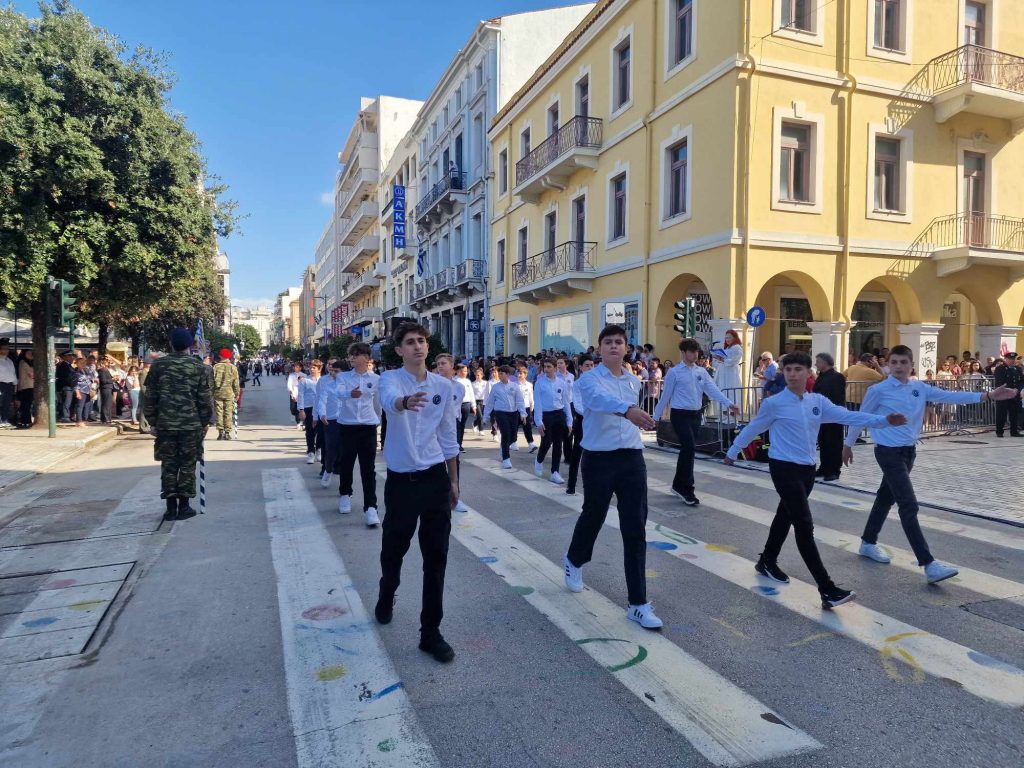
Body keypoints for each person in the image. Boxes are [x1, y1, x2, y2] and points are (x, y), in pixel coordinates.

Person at [725, 352, 908, 609]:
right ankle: (827, 588)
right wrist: (733, 451)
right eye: (788, 369)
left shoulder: (817, 402)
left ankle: (767, 560)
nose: (791, 374)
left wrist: (884, 421)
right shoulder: (774, 403)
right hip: (783, 468)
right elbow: (754, 427)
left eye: (797, 369)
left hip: (807, 470)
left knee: (784, 515)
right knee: (804, 525)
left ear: (808, 373)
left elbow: (848, 416)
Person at [845, 345, 1019, 583]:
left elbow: (950, 396)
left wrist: (987, 395)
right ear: (888, 364)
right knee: (909, 505)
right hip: (887, 452)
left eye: (903, 362)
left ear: (911, 364)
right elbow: (862, 417)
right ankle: (928, 563)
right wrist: (847, 445)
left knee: (886, 496)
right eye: (894, 362)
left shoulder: (919, 387)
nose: (898, 367)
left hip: (909, 452)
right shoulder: (879, 390)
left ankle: (867, 541)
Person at [563, 325, 663, 629]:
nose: (614, 347)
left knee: (635, 528)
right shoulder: (588, 380)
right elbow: (596, 402)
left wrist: (639, 418)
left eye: (619, 342)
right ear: (599, 348)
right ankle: (574, 560)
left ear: (627, 348)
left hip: (632, 458)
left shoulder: (634, 381)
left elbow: (629, 414)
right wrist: (628, 410)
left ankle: (638, 603)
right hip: (598, 458)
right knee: (593, 515)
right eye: (608, 342)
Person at [375, 323, 460, 664]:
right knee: (394, 549)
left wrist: (454, 481)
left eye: (421, 341)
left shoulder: (444, 386)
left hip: (435, 478)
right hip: (401, 481)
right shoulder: (390, 379)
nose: (417, 347)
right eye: (409, 342)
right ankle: (387, 589)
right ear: (399, 350)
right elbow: (389, 401)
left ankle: (430, 632)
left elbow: (448, 435)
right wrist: (405, 401)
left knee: (436, 557)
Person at [653, 338, 739, 505]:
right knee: (690, 447)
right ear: (683, 353)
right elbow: (666, 396)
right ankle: (688, 489)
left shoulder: (701, 372)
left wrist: (729, 404)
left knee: (688, 450)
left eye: (696, 351)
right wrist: (655, 417)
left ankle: (678, 485)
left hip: (695, 415)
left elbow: (713, 390)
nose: (695, 354)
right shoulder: (674, 372)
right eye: (691, 351)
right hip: (679, 415)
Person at [142, 328, 213, 521]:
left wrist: (153, 421)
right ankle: (184, 506)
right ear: (190, 346)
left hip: (166, 425)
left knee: (169, 465)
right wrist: (205, 422)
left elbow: (150, 397)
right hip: (191, 425)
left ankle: (170, 508)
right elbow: (204, 399)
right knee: (188, 465)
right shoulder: (198, 366)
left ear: (171, 344)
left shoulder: (158, 365)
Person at [335, 343, 382, 526]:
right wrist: (349, 393)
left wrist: (377, 422)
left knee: (368, 468)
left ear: (366, 358)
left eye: (356, 354)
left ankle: (371, 507)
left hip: (368, 427)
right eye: (351, 355)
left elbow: (378, 403)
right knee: (346, 464)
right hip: (347, 426)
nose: (352, 358)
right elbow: (339, 393)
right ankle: (345, 494)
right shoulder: (343, 377)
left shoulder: (376, 379)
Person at [533, 358, 573, 484]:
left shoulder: (562, 383)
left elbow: (566, 402)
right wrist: (538, 421)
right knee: (546, 441)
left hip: (559, 414)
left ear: (555, 368)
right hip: (546, 415)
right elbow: (538, 403)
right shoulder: (540, 383)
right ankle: (539, 460)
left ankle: (554, 472)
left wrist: (569, 421)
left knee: (558, 444)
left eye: (549, 366)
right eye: (545, 366)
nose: (546, 369)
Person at [483, 365, 526, 469]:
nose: (499, 375)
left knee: (513, 436)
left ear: (507, 375)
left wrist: (523, 414)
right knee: (505, 434)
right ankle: (506, 459)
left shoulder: (515, 386)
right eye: (499, 373)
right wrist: (485, 417)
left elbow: (520, 401)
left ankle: (504, 446)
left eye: (502, 373)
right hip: (501, 413)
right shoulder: (495, 387)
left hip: (514, 413)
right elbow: (490, 403)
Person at [813, 353, 846, 481]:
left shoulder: (837, 377)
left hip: (834, 416)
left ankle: (834, 470)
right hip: (821, 416)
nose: (816, 364)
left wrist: (835, 412)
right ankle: (824, 467)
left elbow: (838, 397)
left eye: (818, 361)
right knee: (823, 442)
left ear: (825, 362)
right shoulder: (821, 377)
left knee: (834, 443)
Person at [565, 356, 595, 495]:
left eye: (592, 365)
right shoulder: (577, 384)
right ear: (581, 367)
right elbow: (577, 405)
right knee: (577, 453)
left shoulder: (599, 382)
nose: (590, 368)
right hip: (583, 421)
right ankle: (571, 485)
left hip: (597, 422)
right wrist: (591, 412)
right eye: (587, 365)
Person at [711, 330, 744, 415]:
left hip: (731, 374)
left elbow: (734, 360)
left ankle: (733, 415)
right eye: (726, 338)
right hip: (724, 374)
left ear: (734, 338)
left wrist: (721, 359)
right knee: (724, 392)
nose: (727, 339)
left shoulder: (737, 347)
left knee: (731, 393)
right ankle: (725, 414)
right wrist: (717, 357)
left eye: (729, 337)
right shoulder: (727, 348)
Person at [212, 349, 240, 440]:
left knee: (219, 412)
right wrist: (237, 393)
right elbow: (236, 382)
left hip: (218, 393)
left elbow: (211, 382)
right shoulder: (233, 367)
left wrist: (212, 392)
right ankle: (227, 433)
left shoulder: (215, 367)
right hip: (229, 393)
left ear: (220, 356)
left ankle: (220, 433)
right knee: (228, 413)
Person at [993, 352, 1023, 437]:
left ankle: (1014, 431)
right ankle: (999, 431)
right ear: (1005, 359)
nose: (1012, 361)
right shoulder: (1000, 369)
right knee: (1001, 414)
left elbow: (1021, 381)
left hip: (1015, 395)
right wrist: (1010, 390)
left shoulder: (1018, 369)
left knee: (1014, 414)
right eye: (1010, 359)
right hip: (1003, 395)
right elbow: (1000, 382)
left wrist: (1018, 389)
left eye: (1013, 359)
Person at [296, 362, 321, 463]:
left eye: (314, 368)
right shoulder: (304, 380)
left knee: (320, 431)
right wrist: (301, 410)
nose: (311, 369)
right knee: (310, 431)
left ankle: (319, 449)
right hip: (308, 407)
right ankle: (311, 452)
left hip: (321, 408)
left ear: (319, 368)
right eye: (310, 367)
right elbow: (300, 395)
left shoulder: (324, 380)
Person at [454, 364, 476, 451]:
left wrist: (473, 406)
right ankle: (455, 443)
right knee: (457, 425)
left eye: (466, 371)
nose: (465, 373)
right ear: (458, 371)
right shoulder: (454, 380)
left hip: (466, 404)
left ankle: (460, 443)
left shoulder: (467, 381)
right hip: (456, 405)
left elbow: (471, 393)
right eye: (464, 371)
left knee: (463, 425)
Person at [515, 366, 537, 452]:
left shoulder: (529, 385)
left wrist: (532, 407)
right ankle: (514, 442)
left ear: (525, 374)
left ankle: (531, 443)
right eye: (518, 373)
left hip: (526, 407)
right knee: (515, 426)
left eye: (521, 373)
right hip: (516, 408)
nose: (519, 375)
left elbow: (531, 396)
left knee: (527, 426)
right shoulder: (514, 384)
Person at [15, 349, 34, 428]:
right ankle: (25, 421)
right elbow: (32, 374)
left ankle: (25, 421)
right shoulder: (23, 362)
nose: (30, 355)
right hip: (26, 386)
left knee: (27, 405)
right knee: (26, 405)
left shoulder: (29, 363)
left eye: (31, 353)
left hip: (29, 386)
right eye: (28, 353)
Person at [0, 341, 16, 428]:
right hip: (1, 384)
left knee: (7, 403)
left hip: (10, 385)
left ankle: (4, 420)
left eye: (7, 349)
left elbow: (13, 373)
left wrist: (15, 383)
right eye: (3, 349)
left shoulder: (9, 361)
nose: (5, 351)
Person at [471, 367, 488, 434]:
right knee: (480, 416)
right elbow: (471, 393)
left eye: (478, 375)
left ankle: (475, 424)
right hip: (476, 401)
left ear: (482, 375)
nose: (477, 377)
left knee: (481, 416)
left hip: (484, 401)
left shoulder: (486, 383)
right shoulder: (473, 384)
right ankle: (481, 430)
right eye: (476, 375)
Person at [286, 361, 303, 428]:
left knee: (301, 408)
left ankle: (300, 421)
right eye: (295, 366)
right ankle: (298, 419)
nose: (297, 368)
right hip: (294, 393)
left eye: (298, 366)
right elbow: (289, 384)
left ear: (301, 368)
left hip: (302, 394)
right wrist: (291, 391)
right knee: (293, 409)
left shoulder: (304, 375)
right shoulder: (291, 375)